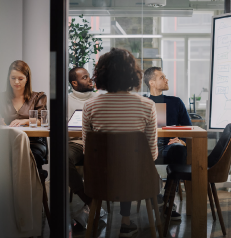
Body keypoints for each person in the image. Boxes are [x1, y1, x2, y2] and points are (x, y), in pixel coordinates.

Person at [82, 48, 158, 237]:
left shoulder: (90, 106)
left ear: (101, 75)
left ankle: (113, 218)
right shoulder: (147, 105)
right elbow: (152, 155)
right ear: (134, 75)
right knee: (130, 162)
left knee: (117, 162)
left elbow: (87, 151)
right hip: (138, 180)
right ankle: (126, 220)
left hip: (102, 180)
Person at [143, 67, 192, 221]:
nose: (167, 79)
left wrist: (181, 140)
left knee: (179, 150)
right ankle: (158, 198)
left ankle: (168, 202)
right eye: (162, 77)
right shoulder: (143, 103)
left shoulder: (175, 102)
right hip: (147, 147)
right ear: (151, 82)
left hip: (170, 146)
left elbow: (188, 127)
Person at [67, 67, 106, 228]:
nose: (90, 80)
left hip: (95, 144)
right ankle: (90, 202)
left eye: (89, 76)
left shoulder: (99, 99)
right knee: (62, 157)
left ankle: (92, 206)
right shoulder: (66, 100)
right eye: (85, 78)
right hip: (75, 143)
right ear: (74, 83)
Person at [0, 60, 48, 170]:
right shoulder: (1, 98)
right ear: (9, 78)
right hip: (8, 141)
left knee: (27, 156)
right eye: (13, 78)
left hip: (33, 141)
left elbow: (42, 120)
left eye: (20, 79)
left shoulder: (38, 97)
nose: (16, 82)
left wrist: (25, 121)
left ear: (27, 79)